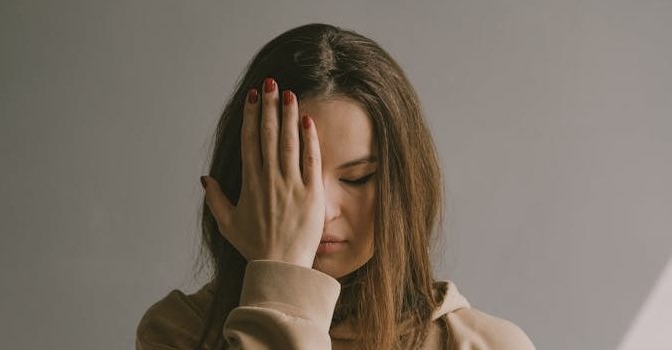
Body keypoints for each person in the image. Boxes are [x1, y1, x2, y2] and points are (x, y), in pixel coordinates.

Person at [135, 23, 536, 349]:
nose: (321, 210)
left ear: (405, 187)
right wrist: (282, 283)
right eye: (290, 175)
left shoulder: (486, 346)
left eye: (357, 178)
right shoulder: (178, 334)